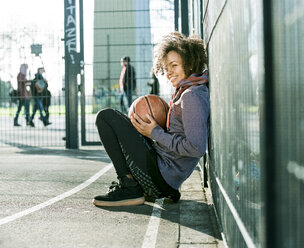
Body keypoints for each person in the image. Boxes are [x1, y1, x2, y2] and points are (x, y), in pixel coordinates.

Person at [93, 31, 209, 207]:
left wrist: (154, 132)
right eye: (167, 66)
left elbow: (196, 148)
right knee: (117, 120)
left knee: (106, 117)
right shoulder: (187, 90)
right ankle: (131, 184)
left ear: (190, 63)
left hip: (162, 176)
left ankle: (129, 186)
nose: (169, 72)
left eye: (174, 65)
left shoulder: (191, 96)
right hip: (164, 173)